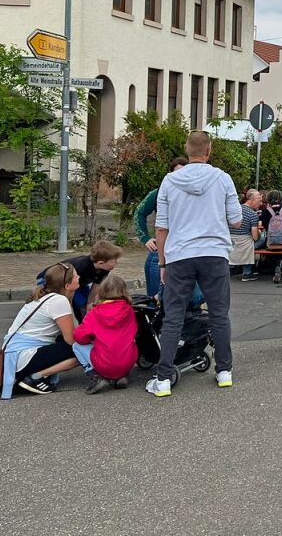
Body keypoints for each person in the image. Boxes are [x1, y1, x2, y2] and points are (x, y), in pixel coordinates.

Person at [148, 130, 242, 397]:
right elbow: (236, 220)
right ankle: (224, 371)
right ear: (209, 151)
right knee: (219, 314)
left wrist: (163, 263)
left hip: (179, 255)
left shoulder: (169, 181)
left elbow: (161, 227)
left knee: (173, 315)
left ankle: (163, 378)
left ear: (187, 151)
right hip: (214, 253)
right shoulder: (223, 179)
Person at [0, 263, 81, 398]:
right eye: (76, 276)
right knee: (81, 349)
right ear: (67, 286)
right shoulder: (59, 301)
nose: (79, 277)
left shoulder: (44, 296)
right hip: (23, 358)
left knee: (69, 344)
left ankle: (33, 375)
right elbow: (71, 339)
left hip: (14, 357)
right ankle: (35, 377)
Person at [72, 274, 137, 394]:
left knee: (76, 345)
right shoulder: (129, 310)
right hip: (127, 361)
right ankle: (122, 376)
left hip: (105, 363)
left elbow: (79, 337)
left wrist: (91, 339)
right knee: (127, 342)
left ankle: (95, 376)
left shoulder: (95, 312)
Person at [135, 157, 188, 298]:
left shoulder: (194, 193)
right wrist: (145, 238)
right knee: (155, 299)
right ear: (170, 174)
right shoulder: (159, 193)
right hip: (160, 252)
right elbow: (139, 212)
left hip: (187, 252)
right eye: (177, 172)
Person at [68, 240, 123, 321]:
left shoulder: (105, 268)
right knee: (80, 304)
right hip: (61, 283)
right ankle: (84, 325)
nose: (117, 263)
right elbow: (66, 287)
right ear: (101, 263)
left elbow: (97, 285)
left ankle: (88, 325)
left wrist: (90, 302)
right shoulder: (82, 266)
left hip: (79, 284)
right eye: (114, 261)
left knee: (90, 303)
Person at [230, 189, 262, 281]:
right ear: (252, 200)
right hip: (245, 245)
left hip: (231, 244)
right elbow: (255, 237)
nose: (260, 203)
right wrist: (260, 234)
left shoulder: (235, 211)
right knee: (261, 238)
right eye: (258, 201)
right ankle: (247, 273)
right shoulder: (252, 214)